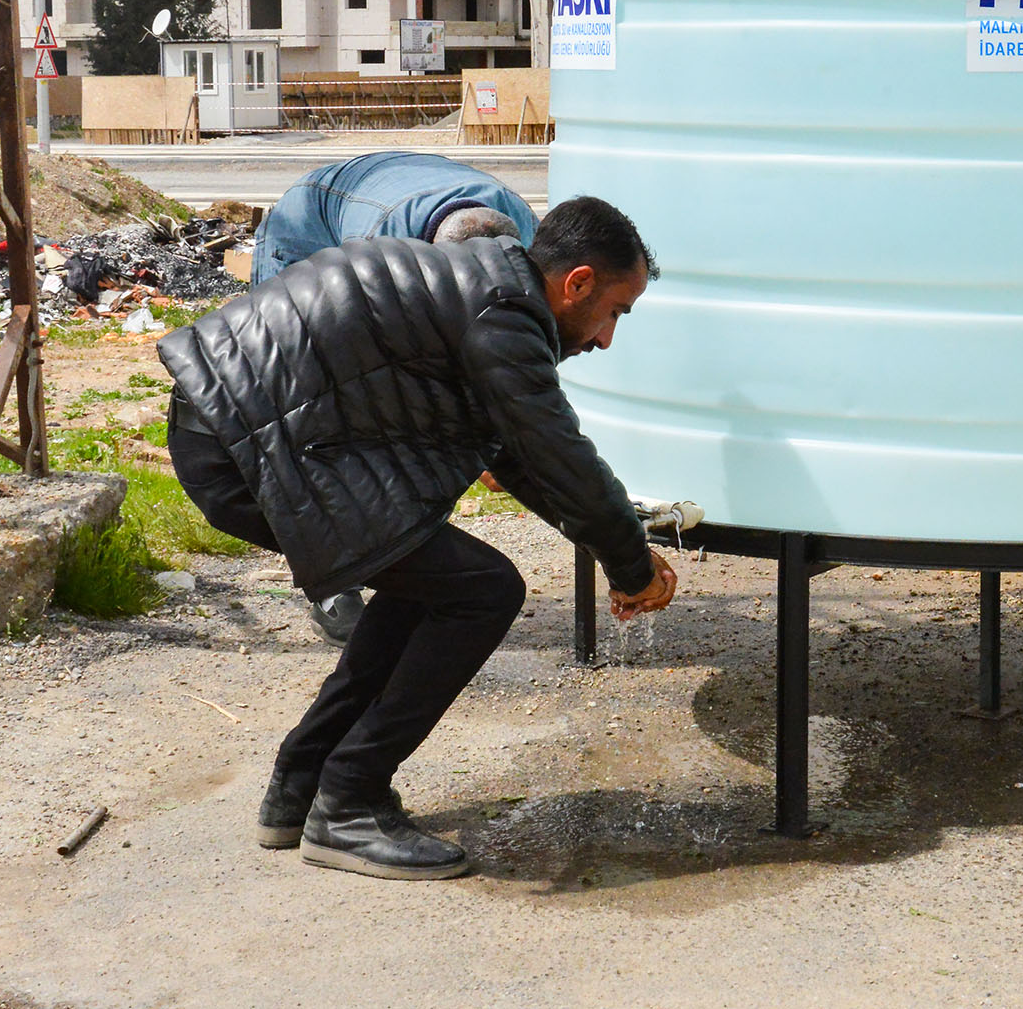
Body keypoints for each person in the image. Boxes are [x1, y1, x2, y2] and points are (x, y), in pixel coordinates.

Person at [159, 194, 679, 881]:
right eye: (615, 311)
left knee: (426, 578)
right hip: (249, 441)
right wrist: (633, 564)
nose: (607, 337)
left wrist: (616, 553)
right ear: (577, 281)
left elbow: (522, 459)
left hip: (232, 427)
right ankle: (348, 803)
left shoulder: (484, 288)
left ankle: (304, 781)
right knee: (483, 591)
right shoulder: (504, 311)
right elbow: (559, 454)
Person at [249, 150, 542, 643]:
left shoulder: (526, 236)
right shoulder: (379, 250)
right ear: (430, 262)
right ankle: (333, 579)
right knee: (316, 417)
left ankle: (403, 563)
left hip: (404, 189)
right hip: (309, 226)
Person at [252, 150, 540, 283]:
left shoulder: (521, 220)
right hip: (307, 218)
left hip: (401, 178)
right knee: (288, 342)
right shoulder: (378, 243)